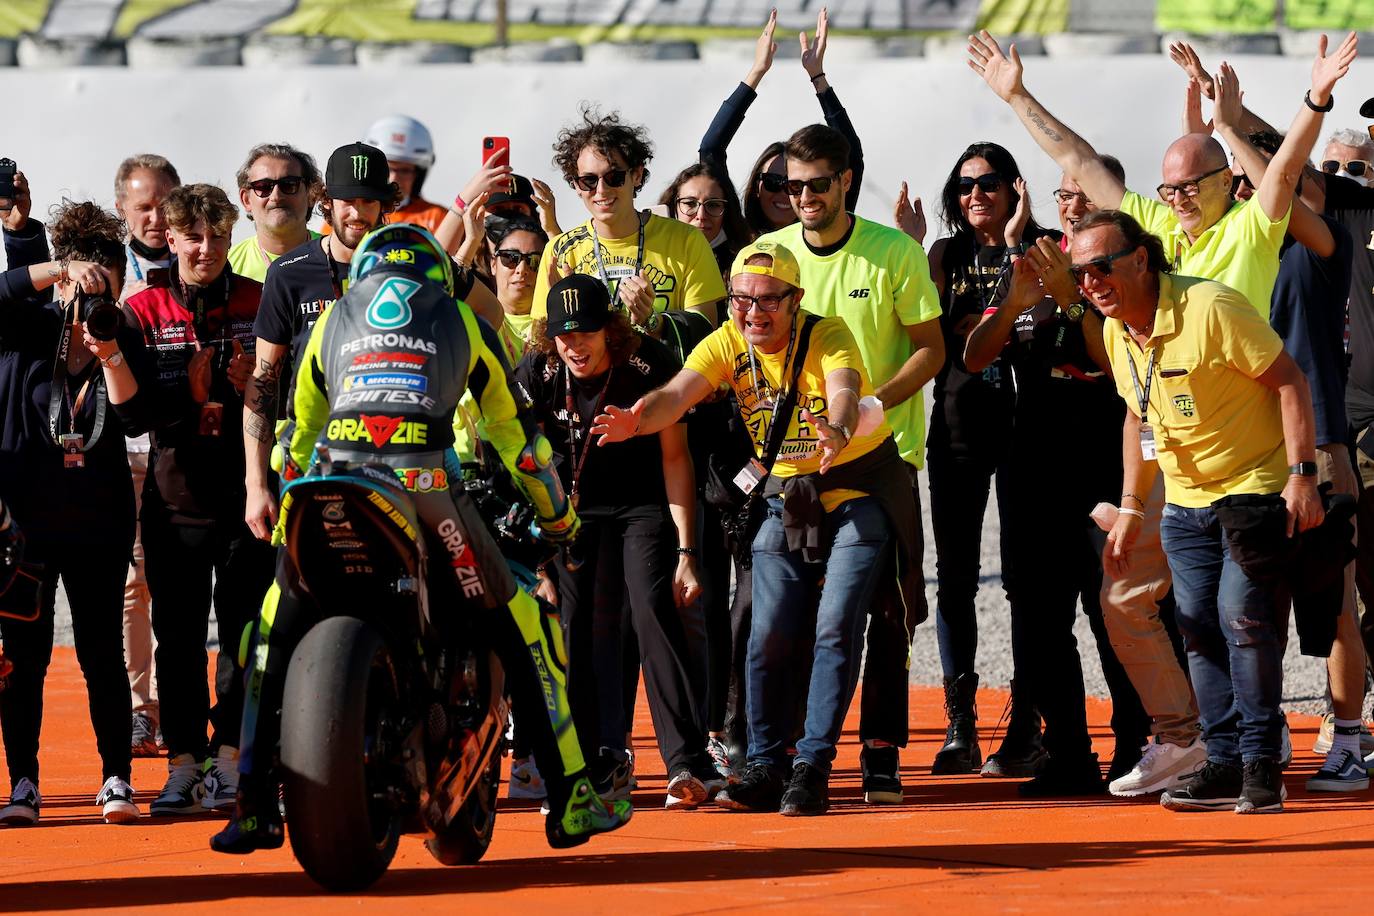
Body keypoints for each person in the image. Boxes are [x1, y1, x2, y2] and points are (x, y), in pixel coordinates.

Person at [211, 224, 630, 853]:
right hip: (428, 490)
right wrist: (560, 518)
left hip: (330, 486)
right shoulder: (461, 319)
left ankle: (250, 804)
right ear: (437, 276)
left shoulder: (330, 323)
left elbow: (294, 436)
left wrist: (283, 498)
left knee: (270, 623)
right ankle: (571, 798)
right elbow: (522, 444)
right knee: (524, 617)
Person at [592, 240, 923, 816]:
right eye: (743, 299)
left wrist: (838, 429)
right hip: (785, 498)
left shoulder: (829, 333)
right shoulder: (725, 341)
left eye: (770, 300)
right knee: (766, 627)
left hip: (859, 490)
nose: (754, 311)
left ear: (795, 301)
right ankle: (766, 761)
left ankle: (813, 766)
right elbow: (675, 395)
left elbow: (844, 389)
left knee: (835, 625)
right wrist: (635, 419)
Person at [1083, 209, 1324, 814]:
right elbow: (1137, 416)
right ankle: (1220, 763)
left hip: (1252, 486)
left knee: (1240, 618)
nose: (1091, 283)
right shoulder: (1117, 330)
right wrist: (1134, 507)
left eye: (1100, 267)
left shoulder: (1212, 307)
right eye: (1080, 273)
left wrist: (1303, 477)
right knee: (1195, 628)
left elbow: (1291, 381)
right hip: (1184, 502)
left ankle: (1261, 764)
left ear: (1141, 259)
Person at [759, 124, 943, 802]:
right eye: (789, 185)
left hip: (882, 456)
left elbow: (931, 348)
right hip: (791, 466)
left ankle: (881, 750)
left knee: (885, 613)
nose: (800, 197)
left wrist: (873, 403)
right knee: (781, 611)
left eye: (814, 185)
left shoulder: (892, 252)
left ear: (844, 182)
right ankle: (776, 752)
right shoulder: (768, 253)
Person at [964, 171, 1155, 796]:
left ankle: (1134, 744)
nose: (1069, 204)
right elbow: (972, 355)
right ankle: (1068, 748)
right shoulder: (1029, 267)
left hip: (1102, 466)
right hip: (1030, 469)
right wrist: (1018, 301)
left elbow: (1115, 363)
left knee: (1116, 611)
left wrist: (1072, 298)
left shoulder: (1114, 281)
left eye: (1083, 194)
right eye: (1062, 194)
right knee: (1038, 618)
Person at [968, 28, 1356, 318]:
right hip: (1172, 406)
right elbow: (1078, 161)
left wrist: (1316, 98)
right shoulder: (1160, 222)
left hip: (1239, 407)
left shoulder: (1250, 226)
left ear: (1225, 181)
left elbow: (1285, 174)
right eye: (1169, 189)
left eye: (1189, 187)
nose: (1177, 200)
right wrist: (1017, 97)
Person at [514, 274, 719, 809]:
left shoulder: (647, 363)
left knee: (652, 608)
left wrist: (687, 554)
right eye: (562, 334)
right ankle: (592, 762)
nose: (573, 345)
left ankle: (686, 762)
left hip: (641, 504)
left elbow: (676, 459)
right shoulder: (539, 369)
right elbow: (515, 454)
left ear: (611, 328)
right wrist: (538, 563)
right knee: (579, 627)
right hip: (569, 511)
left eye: (585, 332)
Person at [242, 142, 501, 544]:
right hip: (320, 460)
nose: (356, 212)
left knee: (450, 576)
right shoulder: (289, 274)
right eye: (346, 199)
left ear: (386, 204)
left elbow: (490, 314)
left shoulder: (421, 264)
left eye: (369, 200)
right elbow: (263, 380)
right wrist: (256, 484)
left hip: (417, 453)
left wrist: (448, 371)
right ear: (325, 201)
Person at [122, 184, 277, 817]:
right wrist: (185, 397)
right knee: (178, 636)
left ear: (230, 234)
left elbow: (293, 392)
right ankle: (184, 761)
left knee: (243, 633)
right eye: (193, 236)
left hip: (246, 499)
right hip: (172, 498)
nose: (205, 248)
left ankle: (233, 756)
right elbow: (130, 417)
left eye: (217, 235)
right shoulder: (144, 308)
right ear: (172, 238)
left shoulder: (259, 300)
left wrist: (252, 388)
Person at [0, 191, 153, 826]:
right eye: (86, 290)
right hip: (28, 526)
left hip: (99, 523)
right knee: (25, 656)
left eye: (106, 291)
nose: (94, 304)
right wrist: (55, 272)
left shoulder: (123, 336)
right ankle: (25, 784)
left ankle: (117, 776)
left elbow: (137, 415)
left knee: (98, 653)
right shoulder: (27, 331)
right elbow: (3, 289)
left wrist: (109, 345)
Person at [1227, 126, 1367, 792]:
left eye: (1251, 179)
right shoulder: (1238, 256)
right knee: (1252, 603)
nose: (1244, 190)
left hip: (1321, 449)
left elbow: (1292, 183)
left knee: (1335, 605)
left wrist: (1233, 123)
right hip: (1251, 452)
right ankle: (1269, 730)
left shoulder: (1317, 251)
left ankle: (1349, 739)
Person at [904, 142, 1050, 778]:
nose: (976, 196)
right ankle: (959, 722)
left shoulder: (1042, 247)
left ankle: (1025, 720)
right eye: (965, 186)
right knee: (956, 574)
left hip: (1027, 426)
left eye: (990, 183)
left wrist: (1017, 247)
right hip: (959, 421)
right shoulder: (945, 254)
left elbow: (1033, 321)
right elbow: (934, 332)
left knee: (1025, 577)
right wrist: (912, 250)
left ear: (1015, 188)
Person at [531, 106, 726, 334]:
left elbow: (706, 330)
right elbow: (538, 341)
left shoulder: (687, 240)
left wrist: (653, 322)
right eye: (588, 180)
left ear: (636, 175)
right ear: (576, 185)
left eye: (614, 177)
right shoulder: (560, 250)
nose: (601, 190)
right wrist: (563, 314)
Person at [113, 153, 180, 759]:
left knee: (181, 583)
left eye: (165, 202)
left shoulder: (204, 259)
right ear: (123, 211)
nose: (156, 217)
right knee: (136, 584)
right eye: (144, 206)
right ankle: (142, 709)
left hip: (186, 450)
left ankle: (187, 708)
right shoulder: (108, 273)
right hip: (125, 450)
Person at [703, 9, 866, 237]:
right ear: (756, 187)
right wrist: (757, 71)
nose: (783, 192)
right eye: (771, 182)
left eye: (794, 184)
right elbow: (711, 150)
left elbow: (852, 157)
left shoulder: (827, 231)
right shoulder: (737, 235)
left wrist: (818, 76)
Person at [227, 143, 323, 283]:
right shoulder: (228, 266)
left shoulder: (337, 257)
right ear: (246, 200)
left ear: (311, 195)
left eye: (289, 185)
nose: (276, 196)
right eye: (263, 187)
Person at [659, 161, 754, 282]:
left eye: (713, 205)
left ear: (727, 211)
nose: (701, 215)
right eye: (690, 203)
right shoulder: (650, 254)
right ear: (674, 206)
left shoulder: (746, 263)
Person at [362, 114, 448, 233]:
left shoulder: (438, 219)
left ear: (418, 175)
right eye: (386, 169)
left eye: (404, 170)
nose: (394, 178)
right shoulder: (352, 215)